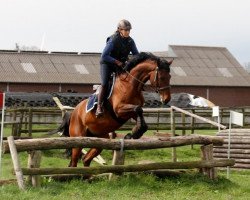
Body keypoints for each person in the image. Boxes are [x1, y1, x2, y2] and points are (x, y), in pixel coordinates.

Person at [96, 19, 139, 117]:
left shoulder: (130, 41)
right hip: (107, 63)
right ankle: (99, 106)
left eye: (129, 30)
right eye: (125, 30)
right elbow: (104, 55)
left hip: (120, 64)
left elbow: (136, 55)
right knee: (105, 83)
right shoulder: (113, 40)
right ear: (120, 30)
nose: (127, 32)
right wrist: (116, 61)